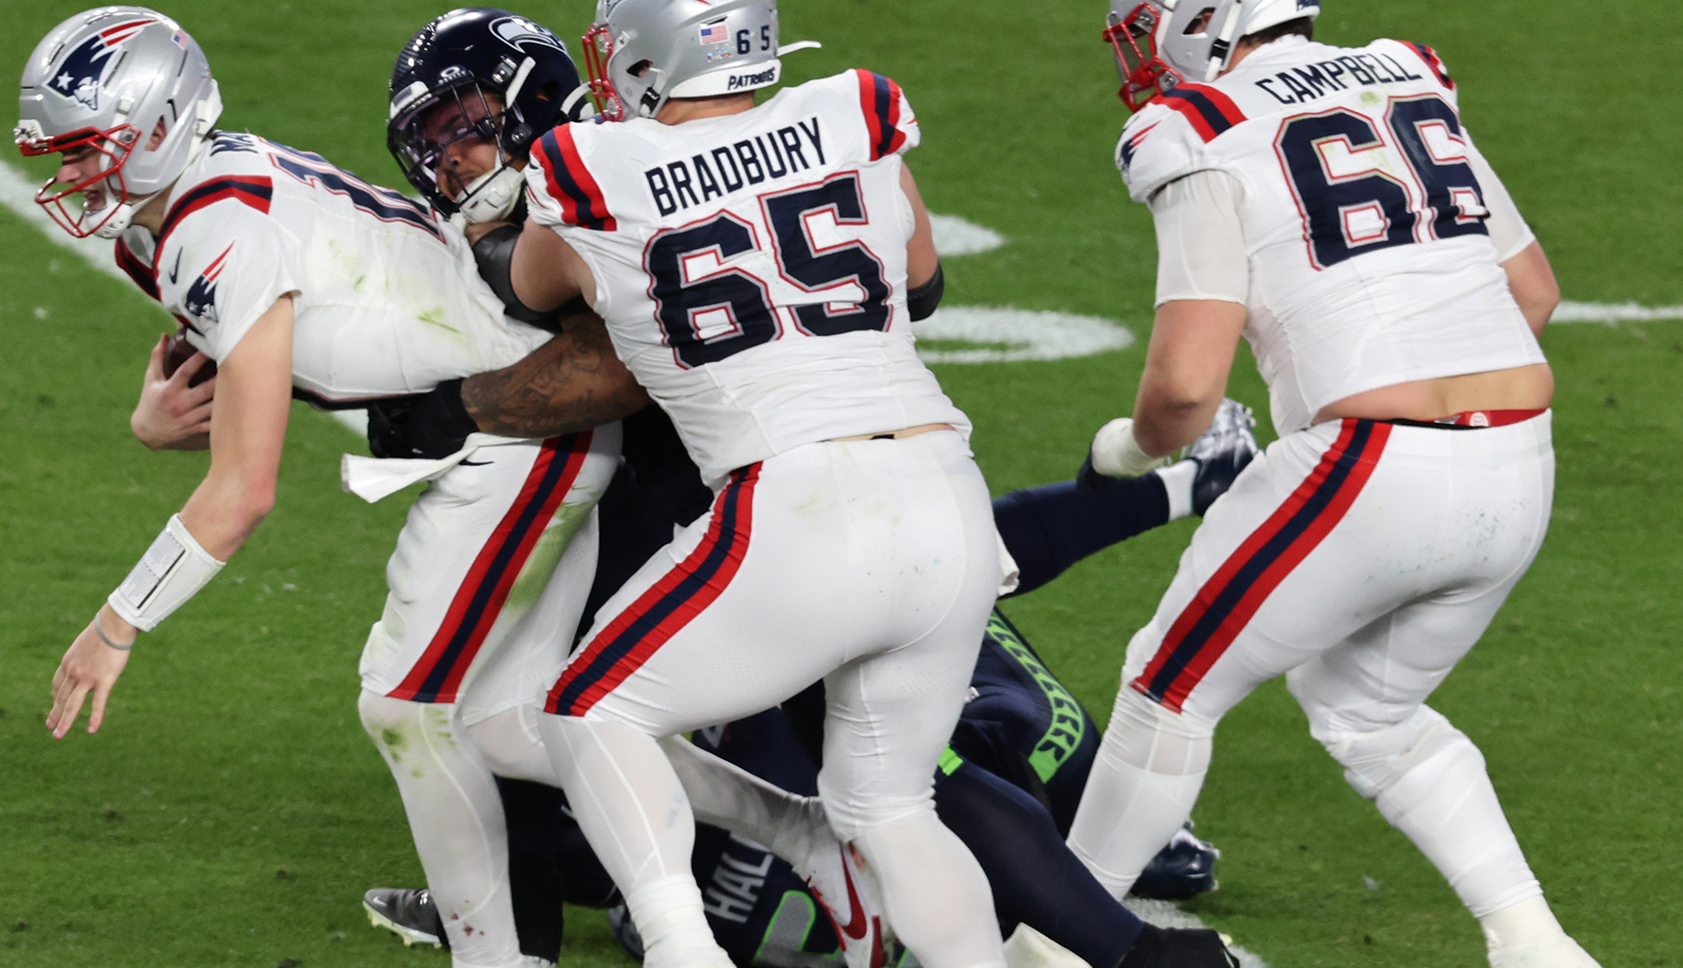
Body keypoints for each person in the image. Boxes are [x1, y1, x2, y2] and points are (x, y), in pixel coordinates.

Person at [426, 0, 1030, 968]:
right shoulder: (855, 110)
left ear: (648, 52)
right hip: (947, 492)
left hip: (800, 501)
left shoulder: (589, 165)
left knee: (581, 711)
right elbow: (920, 281)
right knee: (887, 805)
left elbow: (526, 287)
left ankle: (681, 951)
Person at [18, 5, 629, 968]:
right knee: (512, 727)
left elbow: (244, 491)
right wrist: (155, 423)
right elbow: (302, 347)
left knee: (405, 705)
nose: (68, 172)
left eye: (86, 149)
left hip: (528, 431)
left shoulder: (212, 228)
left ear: (154, 129)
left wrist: (114, 626)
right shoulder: (176, 217)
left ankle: (504, 952)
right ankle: (793, 829)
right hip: (494, 429)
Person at [1059, 0, 1595, 968]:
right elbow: (1531, 292)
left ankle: (1051, 943)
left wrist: (1127, 450)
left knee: (1169, 684)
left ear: (1202, 11)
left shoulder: (1196, 129)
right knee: (1369, 711)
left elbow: (1185, 390)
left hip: (1371, 461)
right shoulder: (1405, 72)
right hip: (1520, 456)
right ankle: (1533, 942)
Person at [369, 399, 1263, 968]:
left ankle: (518, 928)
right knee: (915, 713)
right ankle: (1123, 910)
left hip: (755, 865)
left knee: (562, 706)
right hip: (870, 562)